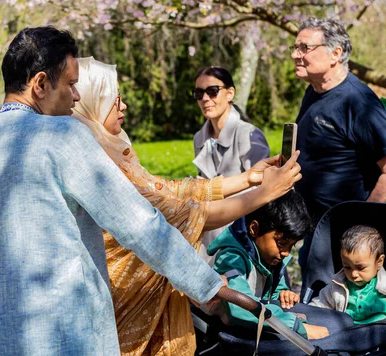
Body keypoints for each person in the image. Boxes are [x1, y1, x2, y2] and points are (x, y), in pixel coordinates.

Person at [0, 27, 228, 356]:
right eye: (71, 84)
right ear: (41, 84)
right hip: (67, 339)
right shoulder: (62, 135)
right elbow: (138, 223)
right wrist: (206, 284)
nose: (76, 97)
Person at [72, 57, 302, 355]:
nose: (124, 106)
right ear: (92, 102)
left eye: (213, 91)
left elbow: (170, 190)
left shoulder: (113, 151)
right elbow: (171, 213)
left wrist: (249, 178)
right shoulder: (95, 160)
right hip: (123, 299)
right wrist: (262, 194)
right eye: (114, 99)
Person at [291, 18, 386, 272]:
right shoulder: (313, 91)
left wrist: (365, 226)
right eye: (295, 47)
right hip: (315, 230)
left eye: (304, 48)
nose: (295, 55)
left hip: (346, 240)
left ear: (336, 53)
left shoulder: (359, 102)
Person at [207, 191, 330, 340]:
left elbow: (272, 287)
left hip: (257, 322)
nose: (285, 253)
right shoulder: (231, 259)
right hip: (225, 333)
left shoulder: (268, 255)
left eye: (291, 246)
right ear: (254, 229)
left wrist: (283, 292)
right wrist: (296, 327)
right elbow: (240, 307)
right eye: (281, 244)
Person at [192, 66, 270, 263]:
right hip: (209, 233)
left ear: (230, 93)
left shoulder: (248, 135)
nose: (205, 99)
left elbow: (263, 191)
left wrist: (211, 189)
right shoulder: (199, 139)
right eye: (199, 93)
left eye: (212, 91)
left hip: (241, 237)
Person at [311, 225, 386, 324]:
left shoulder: (384, 286)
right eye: (347, 267)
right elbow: (318, 306)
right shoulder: (337, 287)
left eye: (360, 268)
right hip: (348, 334)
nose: (354, 274)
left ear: (379, 262)